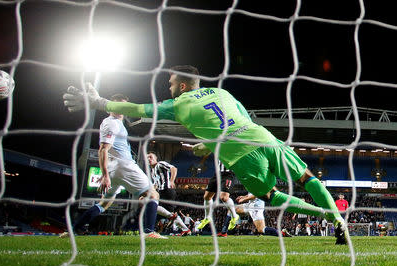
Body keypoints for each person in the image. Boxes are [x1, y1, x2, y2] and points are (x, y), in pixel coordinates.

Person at [63, 65, 348, 244]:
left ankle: (323, 212)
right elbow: (239, 118)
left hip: (240, 155)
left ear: (183, 86)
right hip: (262, 136)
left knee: (271, 196)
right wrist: (210, 143)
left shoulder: (177, 103)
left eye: (172, 83)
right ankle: (337, 219)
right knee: (307, 178)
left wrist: (99, 101)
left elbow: (137, 110)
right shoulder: (221, 93)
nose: (170, 87)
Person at [60, 94, 166, 239]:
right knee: (153, 194)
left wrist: (107, 173)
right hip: (124, 166)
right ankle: (149, 232)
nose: (121, 108)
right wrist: (104, 175)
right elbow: (103, 149)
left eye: (123, 105)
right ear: (110, 107)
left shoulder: (114, 122)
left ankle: (74, 230)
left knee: (104, 204)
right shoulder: (112, 123)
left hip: (114, 169)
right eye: (117, 105)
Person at [146, 152, 191, 236]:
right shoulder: (152, 172)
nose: (149, 159)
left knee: (158, 208)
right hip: (161, 192)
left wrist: (171, 180)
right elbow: (156, 184)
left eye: (151, 157)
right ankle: (186, 230)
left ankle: (185, 229)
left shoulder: (160, 164)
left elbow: (173, 168)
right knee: (165, 211)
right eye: (147, 158)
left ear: (156, 159)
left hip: (167, 190)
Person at [196, 159, 240, 233]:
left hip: (229, 174)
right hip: (218, 174)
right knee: (207, 196)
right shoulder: (218, 147)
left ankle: (235, 216)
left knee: (223, 197)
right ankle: (207, 217)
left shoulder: (234, 147)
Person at [218, 192, 288, 237]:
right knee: (232, 209)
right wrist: (244, 196)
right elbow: (251, 193)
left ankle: (281, 233)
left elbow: (258, 194)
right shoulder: (252, 179)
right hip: (250, 204)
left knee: (261, 229)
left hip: (256, 206)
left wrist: (244, 199)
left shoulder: (258, 180)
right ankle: (224, 232)